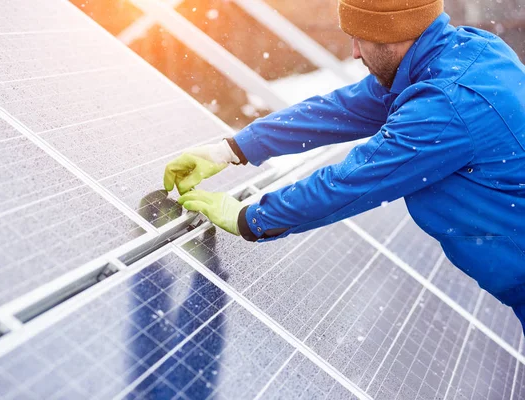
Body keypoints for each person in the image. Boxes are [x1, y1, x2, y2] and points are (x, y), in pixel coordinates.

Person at [163, 0, 525, 333]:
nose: (354, 53)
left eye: (360, 39)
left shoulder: (447, 102)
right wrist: (233, 149)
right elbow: (341, 109)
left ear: (392, 37)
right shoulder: (465, 53)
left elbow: (352, 181)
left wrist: (251, 218)